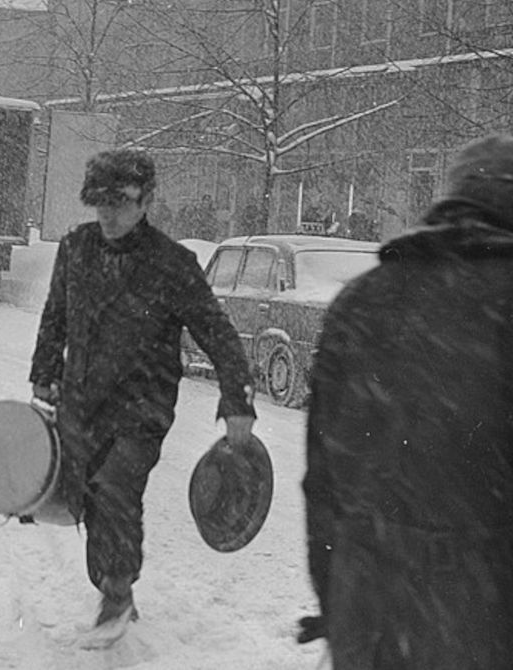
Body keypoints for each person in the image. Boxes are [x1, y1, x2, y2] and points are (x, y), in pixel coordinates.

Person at [29, 149, 257, 647]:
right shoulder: (76, 249)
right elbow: (55, 317)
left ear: (146, 201)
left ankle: (116, 592)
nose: (107, 215)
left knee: (116, 488)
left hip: (142, 408)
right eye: (99, 204)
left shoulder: (172, 264)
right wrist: (44, 373)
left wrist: (237, 401)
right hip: (81, 400)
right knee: (89, 495)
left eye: (120, 203)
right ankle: (110, 580)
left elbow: (216, 331)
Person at [301, 133, 513, 669]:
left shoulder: (360, 300)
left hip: (368, 609)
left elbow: (323, 480)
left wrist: (338, 605)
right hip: (481, 617)